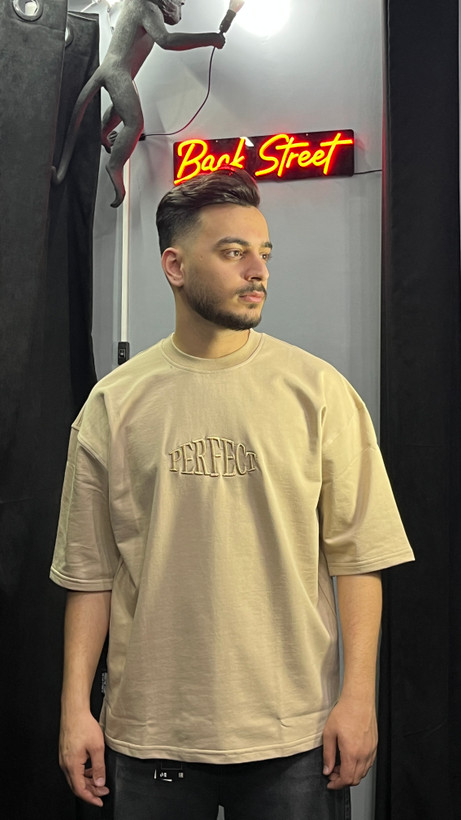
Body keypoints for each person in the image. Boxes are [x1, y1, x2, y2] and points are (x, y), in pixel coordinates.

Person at [50, 167, 414, 819]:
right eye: (233, 251)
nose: (258, 271)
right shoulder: (114, 405)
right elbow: (90, 574)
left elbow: (360, 558)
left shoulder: (319, 393)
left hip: (294, 735)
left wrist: (358, 699)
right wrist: (76, 708)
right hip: (151, 733)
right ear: (174, 265)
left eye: (263, 252)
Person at [52, 0, 225, 207]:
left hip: (118, 71)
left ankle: (102, 134)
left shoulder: (138, 6)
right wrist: (210, 38)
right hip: (118, 72)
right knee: (135, 124)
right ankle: (115, 166)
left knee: (121, 110)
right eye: (179, 2)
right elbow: (166, 40)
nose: (181, 5)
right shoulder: (146, 6)